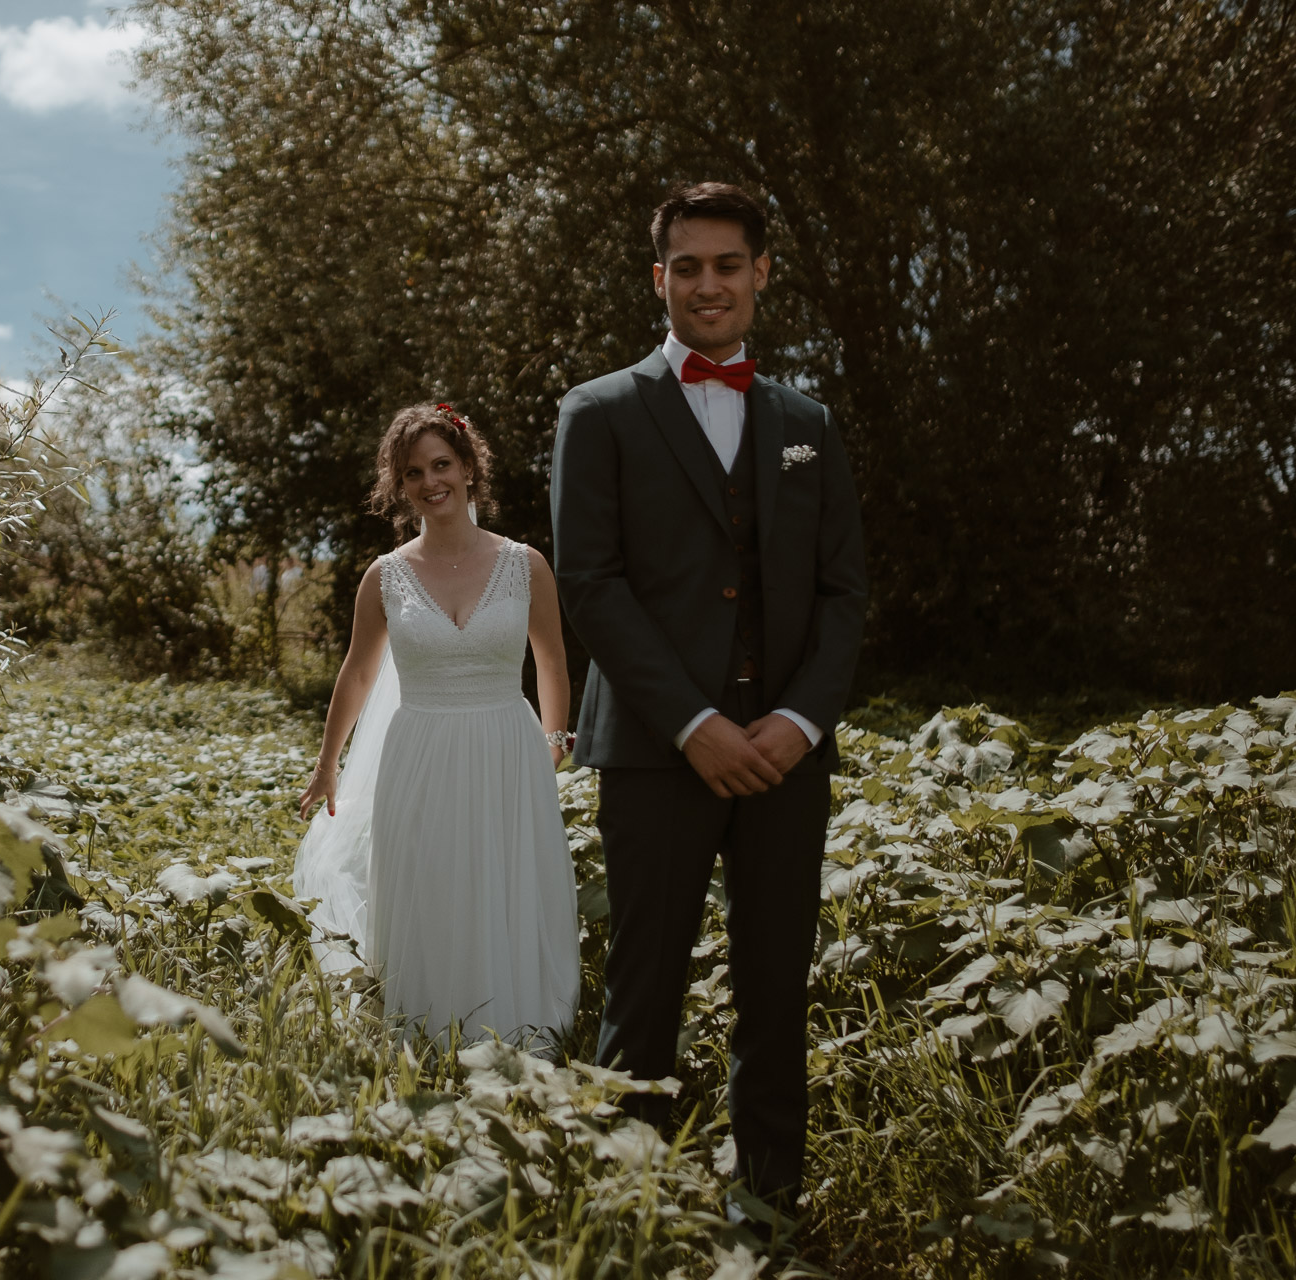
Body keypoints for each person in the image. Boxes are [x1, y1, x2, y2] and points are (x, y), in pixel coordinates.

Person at [550, 182, 867, 1222]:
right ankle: (625, 1204)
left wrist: (794, 722)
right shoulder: (595, 411)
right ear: (658, 279)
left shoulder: (807, 424)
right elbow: (588, 584)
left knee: (774, 985)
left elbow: (840, 594)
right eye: (685, 266)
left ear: (760, 271)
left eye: (726, 263)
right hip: (654, 750)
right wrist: (695, 724)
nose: (707, 283)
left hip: (786, 755)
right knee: (642, 987)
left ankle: (768, 1203)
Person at [293, 403, 581, 1049]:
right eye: (413, 471)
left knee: (505, 883)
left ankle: (518, 1027)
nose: (430, 482)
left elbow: (553, 662)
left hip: (508, 747)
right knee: (431, 885)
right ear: (400, 484)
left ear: (470, 466)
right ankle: (427, 1027)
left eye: (441, 464)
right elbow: (358, 676)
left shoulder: (525, 563)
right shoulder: (385, 576)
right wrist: (326, 763)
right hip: (419, 750)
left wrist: (553, 744)